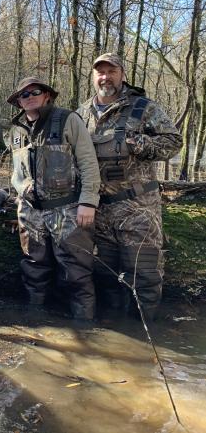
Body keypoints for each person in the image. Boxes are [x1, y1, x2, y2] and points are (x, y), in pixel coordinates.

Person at [77, 53, 182, 319]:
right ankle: (117, 338)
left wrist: (137, 144)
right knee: (105, 275)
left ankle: (144, 339)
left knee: (144, 275)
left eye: (111, 71)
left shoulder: (142, 107)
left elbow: (173, 142)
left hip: (138, 208)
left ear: (122, 74)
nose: (105, 77)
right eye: (100, 72)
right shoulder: (81, 113)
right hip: (98, 210)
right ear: (93, 76)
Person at [7, 76, 101, 320]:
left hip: (67, 209)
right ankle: (36, 322)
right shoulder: (16, 130)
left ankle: (84, 328)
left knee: (76, 272)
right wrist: (21, 191)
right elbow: (16, 173)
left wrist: (88, 202)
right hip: (31, 213)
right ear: (18, 102)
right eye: (23, 95)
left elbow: (88, 162)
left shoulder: (68, 119)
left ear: (47, 95)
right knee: (33, 269)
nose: (29, 97)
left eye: (34, 92)